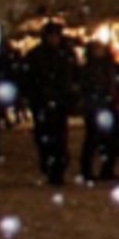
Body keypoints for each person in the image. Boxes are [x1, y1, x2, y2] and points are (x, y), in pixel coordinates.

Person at [20, 23, 77, 186]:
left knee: (59, 137)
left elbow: (72, 76)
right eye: (51, 36)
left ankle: (57, 169)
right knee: (46, 137)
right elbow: (27, 79)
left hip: (58, 103)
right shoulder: (36, 56)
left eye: (56, 36)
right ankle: (50, 167)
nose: (54, 39)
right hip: (42, 103)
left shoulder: (64, 54)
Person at [78, 43, 119, 183]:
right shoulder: (88, 70)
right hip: (96, 108)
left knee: (112, 141)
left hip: (109, 107)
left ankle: (107, 169)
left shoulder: (112, 68)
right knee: (93, 140)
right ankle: (87, 171)